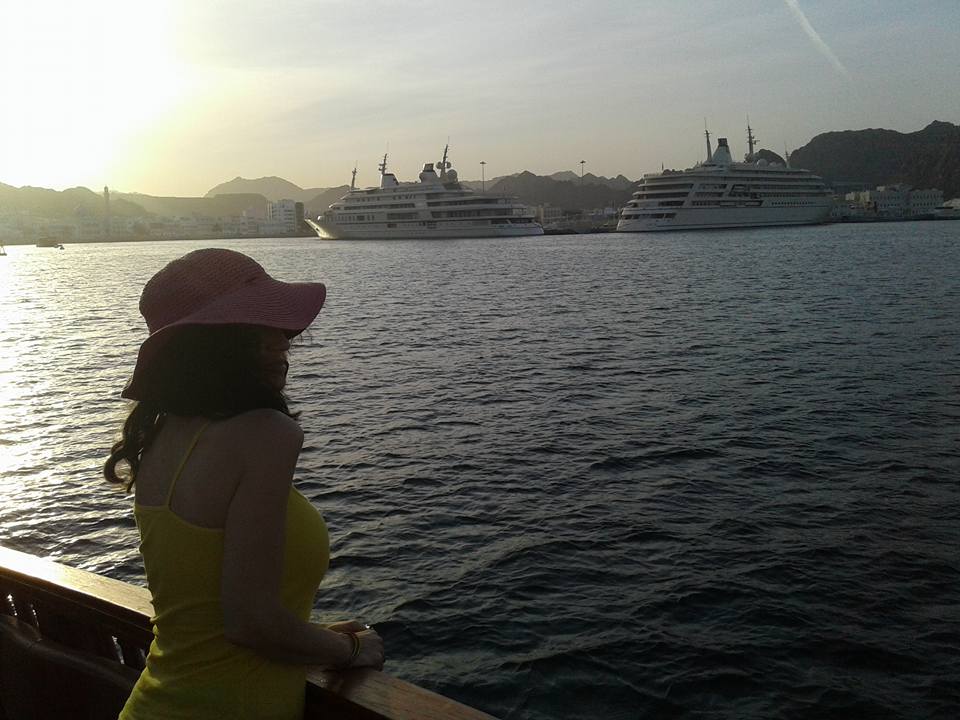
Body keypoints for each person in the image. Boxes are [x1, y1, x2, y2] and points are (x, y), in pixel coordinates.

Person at [105, 248, 384, 719]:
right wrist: (353, 650)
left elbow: (205, 614)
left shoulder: (159, 433)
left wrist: (311, 636)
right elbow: (251, 623)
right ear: (212, 344)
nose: (281, 341)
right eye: (258, 329)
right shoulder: (267, 434)